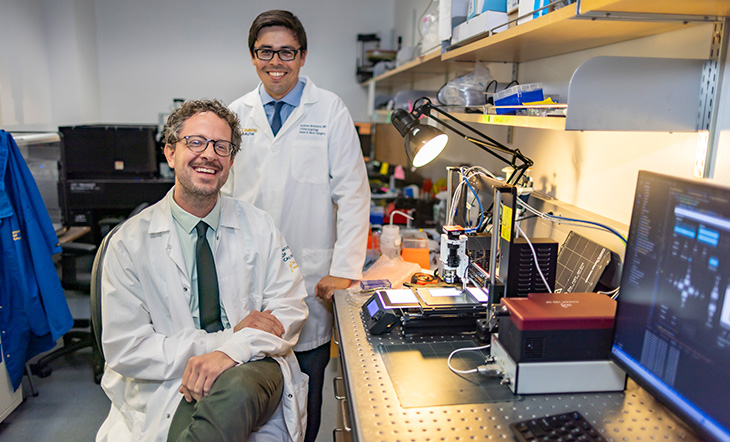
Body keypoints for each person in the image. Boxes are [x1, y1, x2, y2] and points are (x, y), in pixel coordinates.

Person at [96, 99, 309, 442]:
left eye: (221, 146)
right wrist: (222, 341)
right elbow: (127, 349)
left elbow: (290, 308)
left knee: (237, 387)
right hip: (168, 382)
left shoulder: (260, 226)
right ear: (169, 153)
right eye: (195, 142)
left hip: (250, 367)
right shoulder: (128, 242)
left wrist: (230, 352)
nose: (209, 154)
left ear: (231, 161)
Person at [223, 9, 371, 442]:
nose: (276, 61)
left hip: (308, 278)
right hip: (246, 275)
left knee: (305, 395)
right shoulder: (237, 114)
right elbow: (223, 197)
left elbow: (354, 194)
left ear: (302, 56)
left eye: (287, 51)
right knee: (246, 389)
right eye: (265, 51)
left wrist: (346, 268)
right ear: (253, 57)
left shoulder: (329, 110)